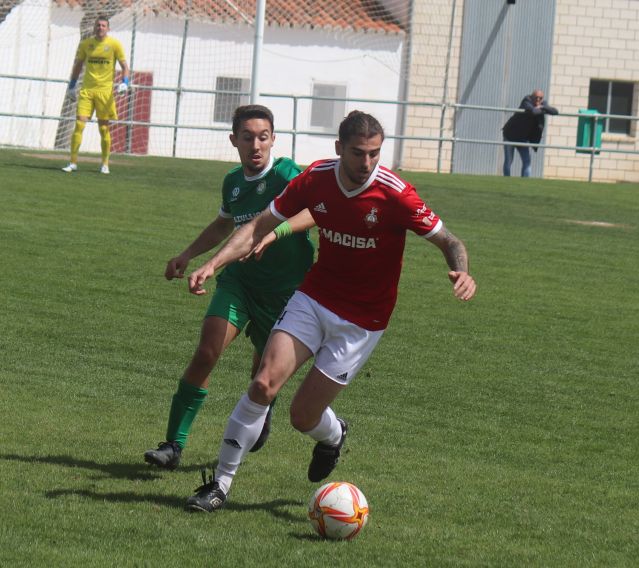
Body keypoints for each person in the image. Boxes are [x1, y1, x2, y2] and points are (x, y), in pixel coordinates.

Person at [182, 110, 477, 512]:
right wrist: (213, 264)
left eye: (375, 153)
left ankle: (334, 435)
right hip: (314, 298)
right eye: (358, 153)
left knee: (303, 416)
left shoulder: (394, 193)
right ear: (339, 149)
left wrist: (461, 270)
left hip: (362, 321)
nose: (367, 163)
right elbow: (257, 225)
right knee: (263, 384)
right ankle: (220, 483)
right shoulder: (316, 178)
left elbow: (449, 240)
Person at [143, 104, 316, 470]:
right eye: (248, 137)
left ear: (273, 140)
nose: (256, 145)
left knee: (262, 375)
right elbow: (224, 225)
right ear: (234, 139)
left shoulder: (287, 174)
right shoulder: (233, 182)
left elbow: (315, 210)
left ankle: (263, 408)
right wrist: (188, 254)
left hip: (285, 294)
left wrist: (278, 230)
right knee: (207, 352)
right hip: (239, 283)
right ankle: (173, 444)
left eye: (264, 137)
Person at [62, 15, 130, 175]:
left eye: (103, 25)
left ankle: (105, 164)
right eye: (98, 25)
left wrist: (125, 82)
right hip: (87, 91)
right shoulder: (86, 44)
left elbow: (125, 66)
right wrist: (72, 86)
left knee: (104, 128)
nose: (100, 27)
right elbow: (78, 65)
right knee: (79, 125)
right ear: (94, 27)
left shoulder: (114, 45)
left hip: (104, 93)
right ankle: (72, 163)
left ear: (108, 28)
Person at [501, 89, 558, 177]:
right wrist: (544, 109)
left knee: (527, 161)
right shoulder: (526, 100)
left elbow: (555, 112)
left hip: (523, 138)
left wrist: (542, 107)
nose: (538, 100)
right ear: (532, 97)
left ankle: (525, 183)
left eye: (540, 98)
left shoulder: (542, 104)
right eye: (536, 98)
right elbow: (534, 111)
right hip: (510, 135)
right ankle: (506, 180)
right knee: (509, 160)